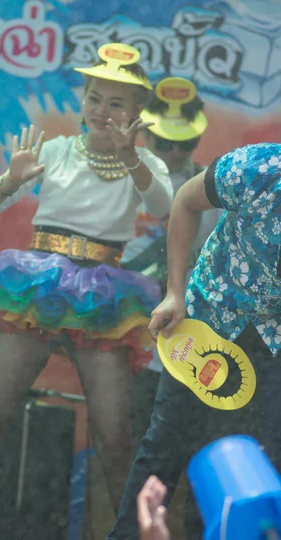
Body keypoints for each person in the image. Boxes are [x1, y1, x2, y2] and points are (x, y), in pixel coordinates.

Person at [0, 43, 173, 540]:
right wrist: (9, 182)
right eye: (95, 98)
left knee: (114, 437)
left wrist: (132, 160)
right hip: (39, 293)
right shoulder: (54, 151)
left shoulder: (144, 162)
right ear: (82, 99)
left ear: (138, 112)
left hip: (104, 300)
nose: (103, 111)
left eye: (117, 103)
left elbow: (164, 205)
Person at [107, 142, 281, 540]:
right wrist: (175, 291)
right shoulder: (258, 167)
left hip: (274, 336)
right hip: (210, 314)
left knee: (263, 460)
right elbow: (185, 201)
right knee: (163, 447)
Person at [121, 77, 221, 442]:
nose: (175, 152)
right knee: (127, 428)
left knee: (186, 431)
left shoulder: (212, 183)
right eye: (165, 142)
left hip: (184, 322)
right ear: (146, 133)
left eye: (184, 142)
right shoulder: (126, 175)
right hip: (125, 315)